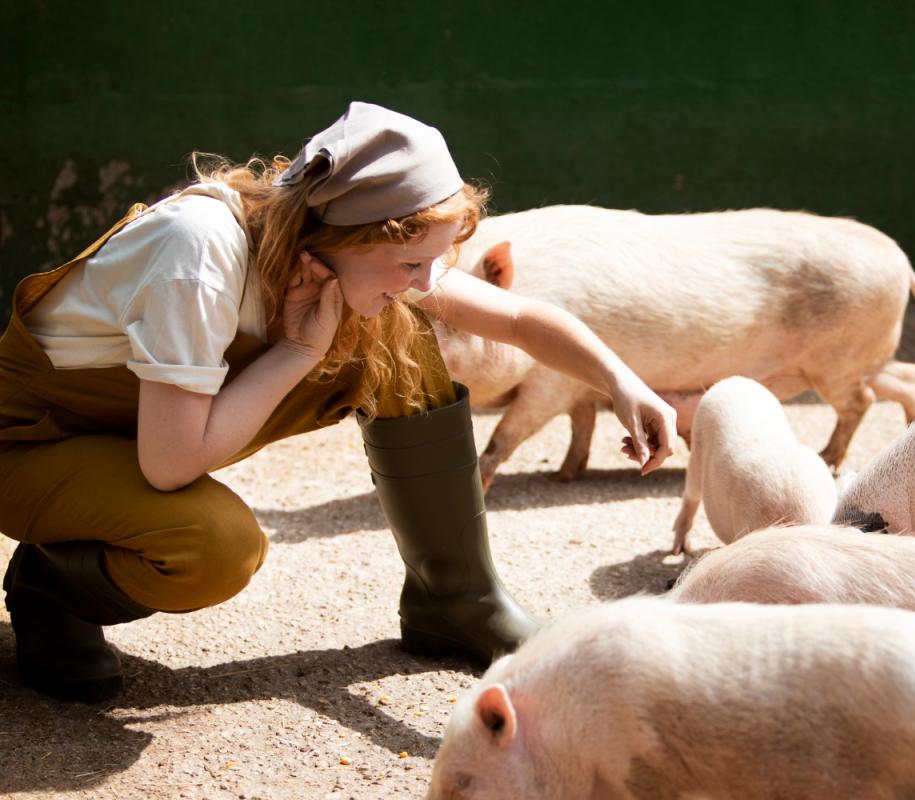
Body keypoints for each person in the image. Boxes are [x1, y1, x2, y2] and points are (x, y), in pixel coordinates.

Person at [0, 101, 676, 703]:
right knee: (212, 548)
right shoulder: (198, 250)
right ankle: (53, 584)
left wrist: (622, 381)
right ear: (353, 237)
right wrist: (295, 355)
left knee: (397, 332)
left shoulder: (334, 252)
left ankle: (457, 598)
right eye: (411, 265)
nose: (423, 281)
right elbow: (170, 465)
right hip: (33, 444)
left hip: (141, 434)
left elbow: (519, 319)